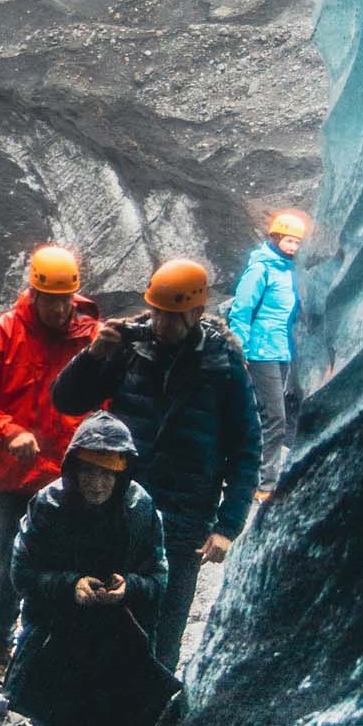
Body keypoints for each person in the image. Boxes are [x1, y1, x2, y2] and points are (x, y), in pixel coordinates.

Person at [51, 258, 260, 676]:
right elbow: (67, 400)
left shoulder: (223, 367)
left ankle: (146, 724)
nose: (161, 323)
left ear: (196, 313)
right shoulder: (129, 350)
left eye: (171, 315)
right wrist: (93, 357)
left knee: (164, 629)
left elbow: (245, 449)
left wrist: (227, 526)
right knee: (104, 618)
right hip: (120, 510)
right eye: (158, 312)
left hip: (183, 520)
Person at [3, 412, 175, 726]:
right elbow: (22, 574)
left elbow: (160, 578)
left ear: (123, 473)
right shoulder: (48, 507)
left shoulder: (142, 511)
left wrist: (130, 589)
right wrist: (69, 586)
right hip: (58, 647)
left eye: (107, 472)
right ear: (73, 468)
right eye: (89, 470)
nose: (97, 483)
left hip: (118, 650)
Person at [0, 244, 101, 683]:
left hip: (70, 477)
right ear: (33, 292)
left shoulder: (92, 339)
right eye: (52, 300)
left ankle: (53, 649)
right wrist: (8, 430)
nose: (60, 310)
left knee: (69, 568)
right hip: (16, 478)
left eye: (66, 300)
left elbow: (111, 398)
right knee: (4, 568)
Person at [230, 209, 309, 500]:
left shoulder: (287, 270)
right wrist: (242, 349)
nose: (293, 247)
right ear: (275, 237)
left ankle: (257, 474)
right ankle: (264, 483)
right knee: (275, 416)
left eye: (297, 242)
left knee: (270, 415)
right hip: (260, 350)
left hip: (280, 350)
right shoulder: (260, 269)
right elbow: (241, 310)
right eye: (289, 241)